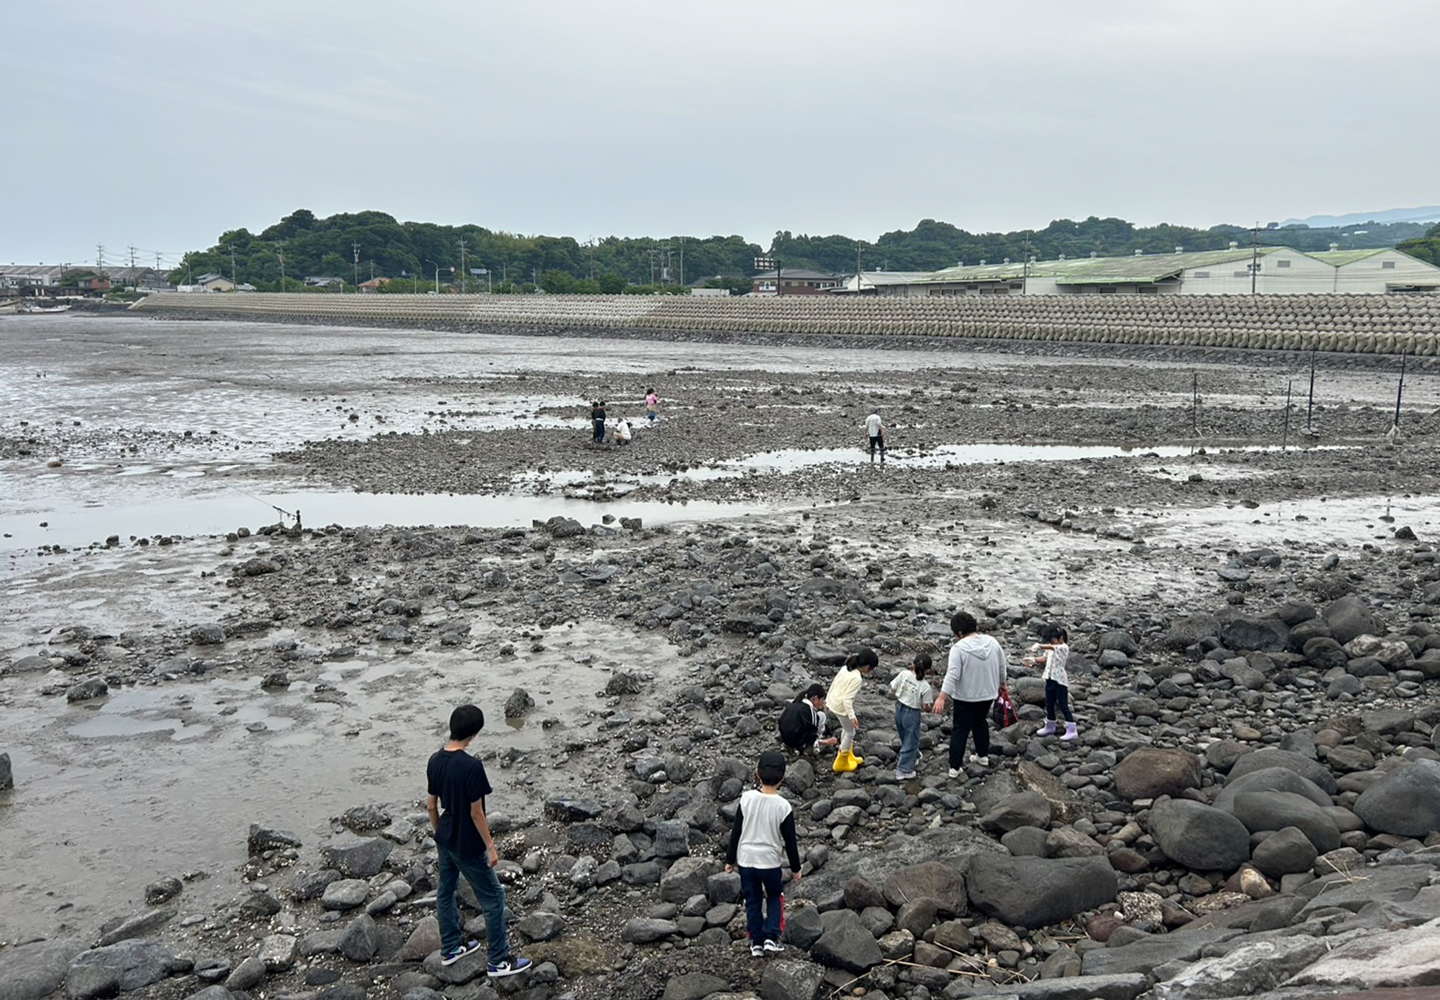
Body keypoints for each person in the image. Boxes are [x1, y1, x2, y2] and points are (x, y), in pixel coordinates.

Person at [426, 704, 532, 977]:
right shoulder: (472, 766)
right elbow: (476, 812)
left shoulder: (435, 760)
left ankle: (450, 946)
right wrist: (491, 846)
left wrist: (440, 835)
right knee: (494, 897)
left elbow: (431, 806)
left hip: (445, 836)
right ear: (473, 733)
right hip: (467, 844)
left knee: (445, 890)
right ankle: (498, 960)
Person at [725, 750, 801, 957]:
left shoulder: (746, 798)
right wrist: (796, 869)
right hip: (769, 862)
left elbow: (737, 831)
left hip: (746, 860)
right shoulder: (783, 806)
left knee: (753, 899)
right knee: (775, 896)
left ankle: (756, 942)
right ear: (783, 777)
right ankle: (771, 937)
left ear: (757, 773)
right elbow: (790, 841)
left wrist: (730, 860)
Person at [932, 611, 1008, 777]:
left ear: (959, 633)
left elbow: (952, 674)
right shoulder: (992, 642)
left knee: (960, 730)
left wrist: (941, 697)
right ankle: (982, 756)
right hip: (988, 694)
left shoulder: (958, 649)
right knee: (980, 723)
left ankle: (954, 767)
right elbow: (1002, 666)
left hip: (965, 697)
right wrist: (1002, 684)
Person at [826, 648, 877, 773]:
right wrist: (852, 716)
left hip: (833, 701)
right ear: (867, 667)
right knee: (850, 733)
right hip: (841, 707)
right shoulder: (857, 678)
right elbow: (847, 700)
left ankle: (848, 754)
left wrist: (827, 700)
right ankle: (841, 762)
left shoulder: (846, 668)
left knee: (846, 729)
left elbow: (834, 684)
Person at [1025, 624, 1077, 741]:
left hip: (1060, 681)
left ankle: (1072, 729)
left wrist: (1039, 646)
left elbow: (1053, 648)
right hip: (1049, 678)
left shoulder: (1063, 647)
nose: (1051, 644)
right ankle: (1050, 725)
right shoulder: (1051, 648)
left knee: (1063, 705)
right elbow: (1046, 658)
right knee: (1050, 703)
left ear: (1061, 639)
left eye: (1052, 641)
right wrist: (1033, 660)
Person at [890, 652, 933, 780]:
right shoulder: (925, 686)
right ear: (928, 670)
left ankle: (913, 755)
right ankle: (904, 770)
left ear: (912, 665)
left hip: (899, 708)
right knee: (911, 739)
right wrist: (929, 708)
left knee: (903, 734)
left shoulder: (904, 674)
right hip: (912, 713)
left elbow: (892, 689)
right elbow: (926, 707)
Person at [778, 683, 838, 756]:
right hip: (796, 741)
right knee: (821, 716)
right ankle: (809, 749)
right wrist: (826, 742)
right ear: (815, 698)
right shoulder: (809, 711)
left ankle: (789, 747)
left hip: (785, 737)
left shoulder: (796, 703)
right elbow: (811, 733)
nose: (822, 703)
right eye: (821, 700)